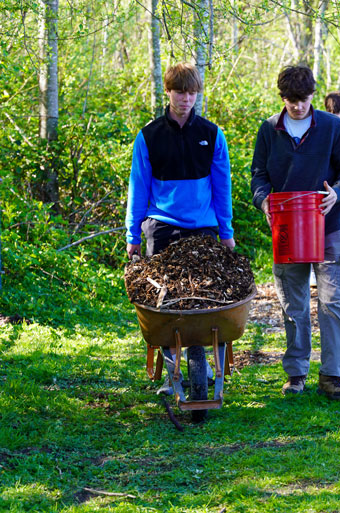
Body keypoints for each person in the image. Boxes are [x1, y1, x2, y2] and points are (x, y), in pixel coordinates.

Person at [124, 62, 235, 417]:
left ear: (197, 94)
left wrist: (226, 232)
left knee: (207, 299)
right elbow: (138, 187)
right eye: (179, 92)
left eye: (191, 93)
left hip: (203, 228)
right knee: (165, 302)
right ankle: (172, 370)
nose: (186, 99)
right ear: (168, 92)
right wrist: (133, 234)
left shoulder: (212, 135)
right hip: (162, 227)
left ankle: (208, 363)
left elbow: (222, 186)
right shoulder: (149, 136)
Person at [251, 65, 340, 401]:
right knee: (292, 304)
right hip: (287, 229)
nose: (298, 106)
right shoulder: (269, 129)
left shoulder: (333, 127)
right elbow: (258, 174)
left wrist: (337, 193)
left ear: (314, 95)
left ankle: (332, 375)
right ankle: (296, 373)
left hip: (329, 226)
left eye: (303, 99)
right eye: (290, 100)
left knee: (332, 303)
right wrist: (263, 199)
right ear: (282, 98)